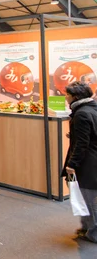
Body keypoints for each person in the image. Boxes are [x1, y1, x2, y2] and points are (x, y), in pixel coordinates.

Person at [62, 81, 97, 243]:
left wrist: (71, 165)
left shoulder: (81, 114)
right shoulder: (92, 108)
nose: (65, 97)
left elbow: (82, 144)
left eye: (67, 95)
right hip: (91, 160)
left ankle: (93, 232)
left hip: (86, 164)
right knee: (85, 196)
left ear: (75, 96)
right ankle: (86, 227)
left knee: (85, 197)